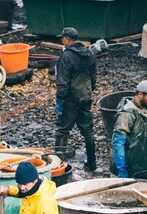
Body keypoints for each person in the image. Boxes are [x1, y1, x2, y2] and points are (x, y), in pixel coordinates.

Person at [54, 27, 97, 171]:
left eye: (63, 38)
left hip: (70, 99)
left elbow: (62, 81)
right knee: (87, 131)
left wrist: (60, 99)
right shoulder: (89, 53)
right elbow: (93, 77)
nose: (62, 41)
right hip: (85, 96)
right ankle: (92, 163)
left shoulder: (66, 56)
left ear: (68, 39)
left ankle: (58, 166)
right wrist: (89, 90)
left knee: (63, 130)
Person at [110, 80, 147, 178]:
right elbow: (118, 142)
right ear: (140, 94)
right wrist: (121, 168)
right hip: (127, 167)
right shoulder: (126, 114)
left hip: (138, 165)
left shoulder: (142, 108)